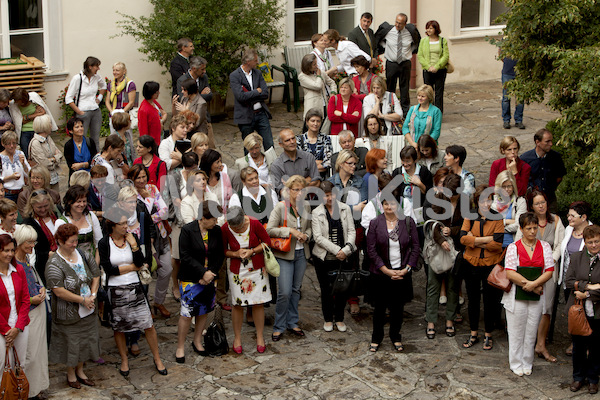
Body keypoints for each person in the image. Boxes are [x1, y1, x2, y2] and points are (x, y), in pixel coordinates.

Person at [99, 208, 167, 376]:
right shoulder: (104, 243)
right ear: (112, 226)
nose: (125, 226)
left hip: (135, 287)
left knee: (148, 324)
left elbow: (141, 262)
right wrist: (131, 267)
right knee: (119, 327)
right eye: (121, 223)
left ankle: (157, 358)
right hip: (116, 290)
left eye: (126, 222)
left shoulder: (132, 238)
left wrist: (135, 246)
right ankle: (124, 359)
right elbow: (109, 269)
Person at [46, 224, 100, 389]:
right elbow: (59, 291)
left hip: (88, 308)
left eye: (76, 240)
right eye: (71, 241)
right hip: (69, 313)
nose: (75, 244)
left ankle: (81, 371)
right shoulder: (54, 263)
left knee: (85, 340)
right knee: (72, 343)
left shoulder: (83, 254)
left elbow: (96, 274)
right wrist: (82, 300)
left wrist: (92, 295)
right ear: (60, 242)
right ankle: (71, 375)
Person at [515, 190, 564, 363]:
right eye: (537, 203)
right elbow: (517, 243)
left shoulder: (556, 221)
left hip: (549, 271)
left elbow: (560, 245)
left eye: (543, 202)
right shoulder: (526, 222)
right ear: (532, 206)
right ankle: (525, 344)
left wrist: (550, 260)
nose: (541, 206)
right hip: (529, 270)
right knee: (527, 306)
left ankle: (541, 345)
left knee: (546, 308)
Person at [502, 212, 554, 376]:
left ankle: (527, 361)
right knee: (516, 330)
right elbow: (510, 272)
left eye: (535, 228)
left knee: (531, 330)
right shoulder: (513, 247)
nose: (532, 231)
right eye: (529, 228)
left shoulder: (544, 246)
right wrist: (529, 285)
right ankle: (515, 362)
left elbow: (549, 270)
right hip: (517, 295)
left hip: (536, 294)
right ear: (522, 229)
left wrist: (535, 284)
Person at [367, 194, 419, 352]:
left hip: (402, 272)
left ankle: (396, 337)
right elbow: (371, 249)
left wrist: (406, 268)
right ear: (382, 205)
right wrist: (385, 270)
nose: (389, 207)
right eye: (386, 204)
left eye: (392, 204)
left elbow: (415, 247)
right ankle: (376, 338)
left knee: (398, 308)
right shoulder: (375, 223)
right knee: (379, 309)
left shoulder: (408, 222)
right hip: (381, 273)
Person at [175, 201, 224, 363]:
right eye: (214, 219)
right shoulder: (188, 230)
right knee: (187, 313)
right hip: (190, 278)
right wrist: (203, 273)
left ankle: (197, 340)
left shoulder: (216, 231)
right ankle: (180, 347)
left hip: (210, 278)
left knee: (203, 310)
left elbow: (219, 255)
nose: (216, 222)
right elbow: (185, 256)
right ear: (203, 217)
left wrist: (211, 273)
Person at [266, 175, 312, 341]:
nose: (299, 193)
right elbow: (269, 229)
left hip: (301, 253)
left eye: (302, 189)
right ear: (289, 190)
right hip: (285, 254)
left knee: (295, 290)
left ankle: (292, 322)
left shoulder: (306, 206)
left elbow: (310, 229)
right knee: (284, 291)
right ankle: (279, 325)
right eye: (296, 189)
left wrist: (306, 236)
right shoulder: (281, 207)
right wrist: (290, 231)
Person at [460, 184, 505, 351]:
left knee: (490, 301)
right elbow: (463, 239)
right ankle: (473, 333)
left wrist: (475, 240)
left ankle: (488, 334)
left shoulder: (497, 217)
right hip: (470, 263)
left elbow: (498, 245)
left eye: (489, 200)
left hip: (489, 264)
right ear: (477, 201)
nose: (486, 204)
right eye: (483, 201)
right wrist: (486, 239)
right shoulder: (470, 215)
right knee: (473, 300)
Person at [222, 207, 271, 353]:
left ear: (244, 218)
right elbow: (223, 250)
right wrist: (236, 253)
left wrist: (252, 251)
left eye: (239, 227)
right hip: (238, 270)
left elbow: (267, 242)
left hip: (256, 268)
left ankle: (260, 337)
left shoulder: (255, 223)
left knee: (258, 302)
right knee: (237, 304)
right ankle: (237, 338)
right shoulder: (225, 228)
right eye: (234, 227)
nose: (237, 230)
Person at [128, 164, 173, 318]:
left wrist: (151, 218)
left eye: (143, 176)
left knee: (167, 270)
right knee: (144, 273)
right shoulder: (131, 194)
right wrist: (150, 202)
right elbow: (141, 215)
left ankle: (159, 301)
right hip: (144, 238)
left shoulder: (152, 188)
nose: (141, 180)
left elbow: (165, 211)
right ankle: (144, 304)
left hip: (161, 235)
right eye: (138, 178)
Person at [312, 181, 357, 332]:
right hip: (324, 258)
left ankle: (339, 318)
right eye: (325, 196)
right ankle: (328, 319)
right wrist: (338, 250)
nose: (329, 198)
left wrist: (346, 250)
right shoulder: (316, 212)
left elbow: (351, 231)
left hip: (343, 257)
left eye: (331, 194)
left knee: (342, 289)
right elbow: (318, 237)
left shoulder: (345, 209)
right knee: (326, 290)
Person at [425, 173, 465, 338]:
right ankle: (431, 321)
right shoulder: (438, 198)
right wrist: (441, 239)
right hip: (439, 249)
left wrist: (453, 231)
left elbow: (466, 224)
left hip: (456, 248)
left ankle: (450, 320)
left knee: (453, 286)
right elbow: (432, 223)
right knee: (433, 286)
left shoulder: (464, 201)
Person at [565, 225, 600, 394]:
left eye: (597, 241)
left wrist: (586, 293)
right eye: (590, 242)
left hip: (598, 310)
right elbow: (569, 281)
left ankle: (593, 378)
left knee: (596, 346)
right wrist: (590, 286)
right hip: (578, 311)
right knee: (578, 346)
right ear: (585, 242)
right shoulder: (577, 257)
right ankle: (578, 377)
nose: (594, 245)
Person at [14, 225, 48, 399]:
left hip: (37, 309)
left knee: (39, 352)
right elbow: (14, 293)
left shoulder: (26, 258)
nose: (32, 245)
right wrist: (31, 300)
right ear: (20, 241)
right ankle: (27, 391)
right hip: (27, 313)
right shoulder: (13, 263)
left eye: (33, 241)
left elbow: (33, 279)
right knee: (30, 355)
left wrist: (40, 288)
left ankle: (36, 388)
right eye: (29, 242)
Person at [162, 151, 198, 301]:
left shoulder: (199, 175)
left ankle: (191, 283)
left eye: (194, 167)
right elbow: (173, 200)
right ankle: (175, 286)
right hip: (179, 220)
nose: (191, 170)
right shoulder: (174, 177)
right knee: (176, 256)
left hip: (195, 219)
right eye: (189, 167)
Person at [375, 13, 421, 116]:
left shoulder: (410, 32)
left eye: (400, 23)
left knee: (404, 88)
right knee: (390, 88)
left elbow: (416, 43)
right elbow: (378, 41)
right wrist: (386, 49)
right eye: (396, 22)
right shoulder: (388, 31)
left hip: (405, 63)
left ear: (405, 23)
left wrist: (408, 52)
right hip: (391, 63)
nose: (397, 25)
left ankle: (405, 113)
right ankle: (389, 110)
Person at [230, 48, 274, 152]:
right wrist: (256, 91)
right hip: (245, 115)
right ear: (248, 62)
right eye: (255, 60)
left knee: (269, 143)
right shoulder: (235, 76)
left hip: (260, 113)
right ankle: (249, 167)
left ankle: (273, 166)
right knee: (249, 145)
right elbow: (240, 97)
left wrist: (250, 94)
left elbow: (265, 93)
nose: (257, 62)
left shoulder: (257, 73)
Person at [64, 57, 107, 151]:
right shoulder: (77, 78)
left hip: (95, 111)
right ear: (90, 67)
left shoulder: (96, 77)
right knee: (80, 138)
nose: (98, 68)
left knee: (95, 139)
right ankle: (81, 158)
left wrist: (99, 98)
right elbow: (68, 98)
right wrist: (79, 111)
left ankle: (95, 159)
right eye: (97, 66)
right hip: (83, 112)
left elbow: (104, 85)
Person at [520, 129, 566, 213]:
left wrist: (551, 187)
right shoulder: (525, 159)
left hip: (550, 198)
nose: (551, 144)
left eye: (551, 141)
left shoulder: (556, 157)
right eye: (547, 141)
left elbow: (559, 177)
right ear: (537, 142)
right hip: (531, 200)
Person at [55, 185, 103, 265]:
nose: (82, 204)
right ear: (70, 202)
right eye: (78, 201)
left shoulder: (91, 216)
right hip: (73, 264)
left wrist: (95, 266)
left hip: (94, 262)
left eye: (84, 201)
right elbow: (61, 249)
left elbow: (99, 243)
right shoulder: (61, 222)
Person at [175, 56, 215, 147]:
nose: (204, 71)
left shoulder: (204, 78)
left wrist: (197, 95)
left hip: (202, 122)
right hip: (187, 127)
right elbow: (182, 99)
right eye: (202, 69)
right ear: (194, 69)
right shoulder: (182, 80)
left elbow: (209, 95)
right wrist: (200, 94)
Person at [558, 201, 593, 304]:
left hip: (583, 283)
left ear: (583, 217)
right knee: (570, 312)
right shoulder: (568, 229)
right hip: (568, 280)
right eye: (568, 215)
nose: (569, 218)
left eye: (573, 216)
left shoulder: (593, 233)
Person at [23, 190, 59, 283]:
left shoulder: (55, 214)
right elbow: (31, 249)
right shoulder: (29, 223)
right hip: (44, 265)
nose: (43, 210)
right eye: (39, 207)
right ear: (32, 206)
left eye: (46, 206)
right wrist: (47, 254)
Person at [9, 88, 56, 160]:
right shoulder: (13, 105)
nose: (17, 103)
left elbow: (43, 112)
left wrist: (27, 117)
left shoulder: (34, 99)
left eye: (19, 102)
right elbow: (19, 121)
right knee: (27, 152)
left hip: (38, 129)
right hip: (24, 131)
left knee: (42, 151)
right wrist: (35, 114)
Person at [270, 129, 321, 194]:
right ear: (281, 144)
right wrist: (307, 180)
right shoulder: (277, 165)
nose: (292, 142)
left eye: (293, 138)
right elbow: (281, 191)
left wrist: (290, 186)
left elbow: (317, 183)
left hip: (310, 200)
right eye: (287, 140)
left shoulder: (308, 157)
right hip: (288, 203)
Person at [392, 145, 433, 220]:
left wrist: (419, 184)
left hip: (419, 212)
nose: (405, 164)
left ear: (415, 160)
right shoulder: (397, 173)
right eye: (403, 161)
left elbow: (430, 193)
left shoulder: (424, 172)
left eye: (408, 161)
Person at [417, 20, 450, 113]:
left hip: (440, 70)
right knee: (427, 92)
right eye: (427, 28)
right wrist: (428, 67)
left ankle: (438, 113)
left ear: (436, 29)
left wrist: (437, 66)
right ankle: (428, 111)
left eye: (431, 28)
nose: (428, 30)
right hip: (427, 71)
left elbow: (446, 55)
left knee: (439, 93)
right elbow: (420, 56)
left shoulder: (442, 41)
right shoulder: (423, 41)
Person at [491, 171, 527, 249]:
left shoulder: (520, 201)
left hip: (513, 245)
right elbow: (490, 225)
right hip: (494, 246)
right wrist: (507, 221)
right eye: (503, 187)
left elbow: (519, 225)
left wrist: (499, 228)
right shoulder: (492, 202)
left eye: (509, 186)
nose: (506, 189)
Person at [298, 54, 337, 122]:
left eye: (316, 63)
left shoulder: (320, 72)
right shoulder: (302, 76)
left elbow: (332, 83)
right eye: (314, 64)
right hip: (312, 106)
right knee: (312, 127)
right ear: (308, 66)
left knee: (324, 127)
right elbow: (317, 86)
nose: (317, 66)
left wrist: (333, 93)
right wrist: (319, 76)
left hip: (324, 104)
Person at [29, 115, 62, 192]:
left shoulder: (48, 138)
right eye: (50, 124)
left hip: (54, 175)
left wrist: (52, 159)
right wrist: (55, 158)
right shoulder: (35, 143)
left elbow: (60, 154)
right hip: (42, 178)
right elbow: (44, 163)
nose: (51, 126)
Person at [296, 109, 333, 178]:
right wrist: (319, 162)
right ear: (307, 122)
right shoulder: (299, 139)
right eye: (312, 121)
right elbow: (298, 163)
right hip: (303, 179)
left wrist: (308, 167)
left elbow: (328, 162)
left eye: (318, 121)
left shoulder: (325, 139)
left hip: (322, 177)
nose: (315, 124)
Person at [105, 62, 136, 135]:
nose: (115, 72)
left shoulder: (130, 84)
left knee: (126, 139)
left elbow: (131, 102)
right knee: (114, 140)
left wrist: (121, 112)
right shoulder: (111, 84)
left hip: (125, 117)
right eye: (113, 70)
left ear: (124, 71)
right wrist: (112, 112)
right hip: (113, 117)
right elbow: (107, 101)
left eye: (117, 70)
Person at [0, 131, 30, 202]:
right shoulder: (0, 157)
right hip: (7, 193)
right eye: (8, 144)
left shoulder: (20, 154)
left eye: (14, 143)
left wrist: (23, 164)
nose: (12, 146)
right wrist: (11, 177)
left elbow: (29, 174)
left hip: (21, 192)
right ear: (3, 144)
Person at [201, 149, 233, 214]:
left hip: (224, 216)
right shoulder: (201, 179)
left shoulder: (224, 176)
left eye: (220, 161)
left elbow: (230, 197)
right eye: (217, 162)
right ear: (209, 163)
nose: (220, 164)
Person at [501, 56, 524, 129]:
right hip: (507, 73)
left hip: (520, 73)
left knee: (520, 98)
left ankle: (518, 120)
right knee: (506, 98)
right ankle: (506, 120)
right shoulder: (504, 44)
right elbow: (501, 55)